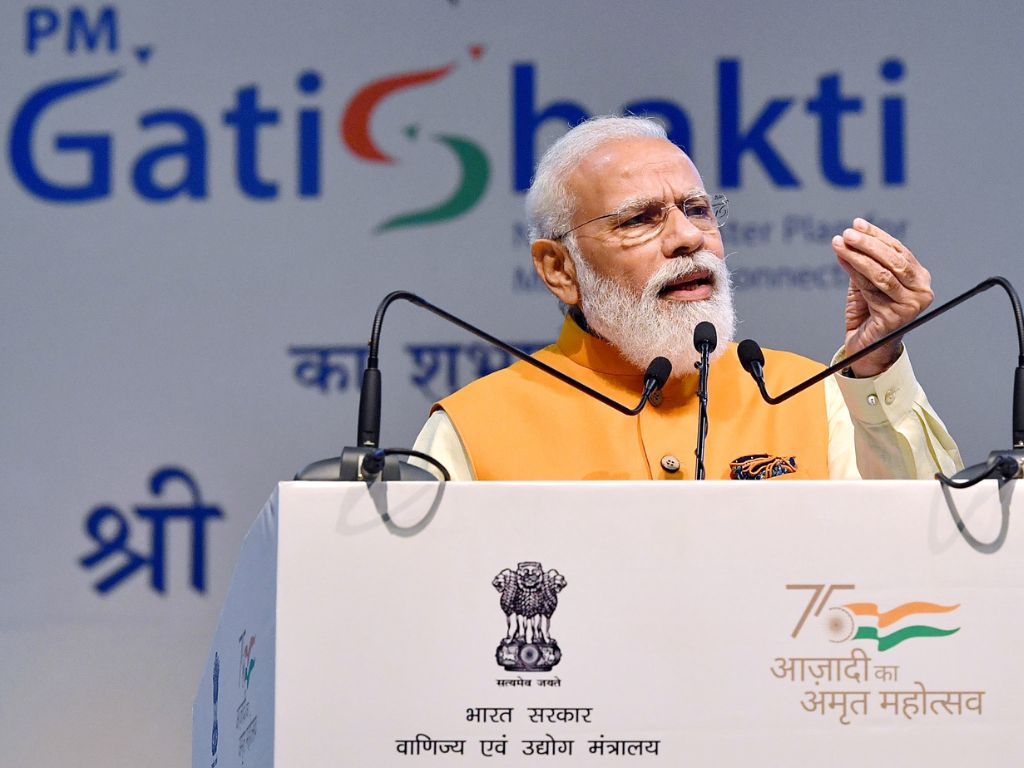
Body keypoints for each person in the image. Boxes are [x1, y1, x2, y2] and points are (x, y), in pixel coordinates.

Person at [413, 116, 962, 480]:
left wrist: (874, 366)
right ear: (559, 269)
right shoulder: (473, 430)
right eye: (640, 219)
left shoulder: (807, 397)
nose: (688, 237)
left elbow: (920, 559)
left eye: (696, 210)